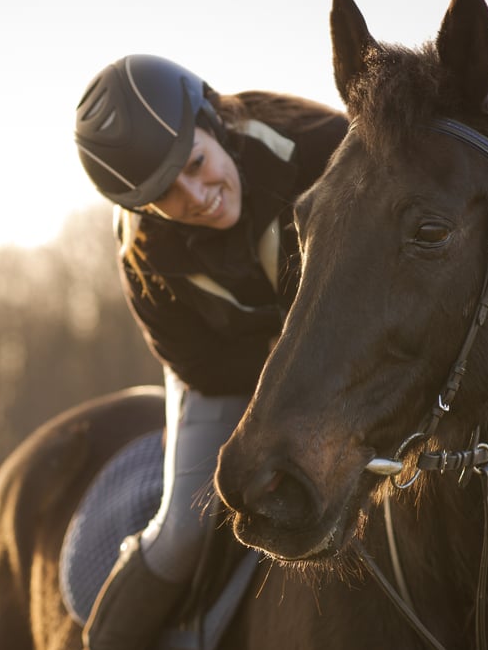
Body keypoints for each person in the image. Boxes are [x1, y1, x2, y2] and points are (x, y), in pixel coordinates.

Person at [73, 54, 349, 650]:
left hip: (342, 357)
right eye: (167, 195)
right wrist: (281, 380)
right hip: (223, 375)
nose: (196, 196)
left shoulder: (324, 146)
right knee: (183, 528)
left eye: (195, 164)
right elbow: (194, 360)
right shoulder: (142, 247)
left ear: (212, 121)